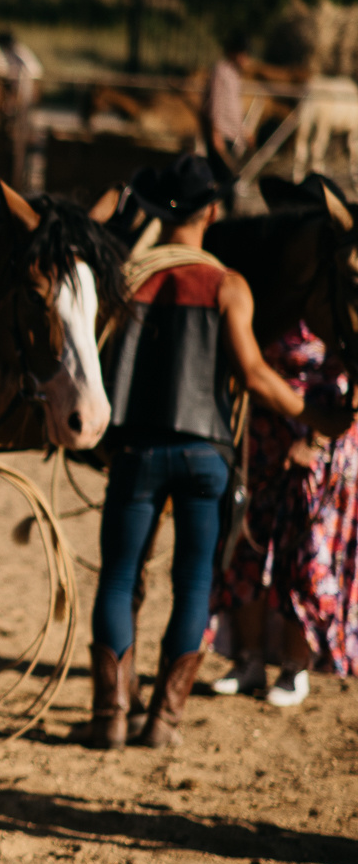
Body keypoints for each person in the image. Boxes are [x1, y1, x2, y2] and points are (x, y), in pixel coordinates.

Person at [87, 155, 352, 749]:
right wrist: (317, 418)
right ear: (211, 213)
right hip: (206, 456)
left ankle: (109, 716)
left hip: (136, 451)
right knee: (192, 584)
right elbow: (255, 375)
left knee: (119, 578)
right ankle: (163, 722)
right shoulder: (229, 285)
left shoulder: (130, 279)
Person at [209, 309, 358, 706]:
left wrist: (317, 440)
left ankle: (295, 666)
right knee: (246, 546)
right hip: (261, 436)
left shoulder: (343, 304)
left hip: (323, 444)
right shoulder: (268, 298)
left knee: (306, 551)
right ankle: (249, 659)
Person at [201, 38, 255, 179]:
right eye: (242, 53)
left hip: (232, 133)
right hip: (221, 132)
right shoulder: (221, 71)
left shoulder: (234, 75)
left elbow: (234, 107)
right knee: (222, 176)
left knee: (229, 176)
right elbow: (215, 103)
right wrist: (215, 133)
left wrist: (244, 131)